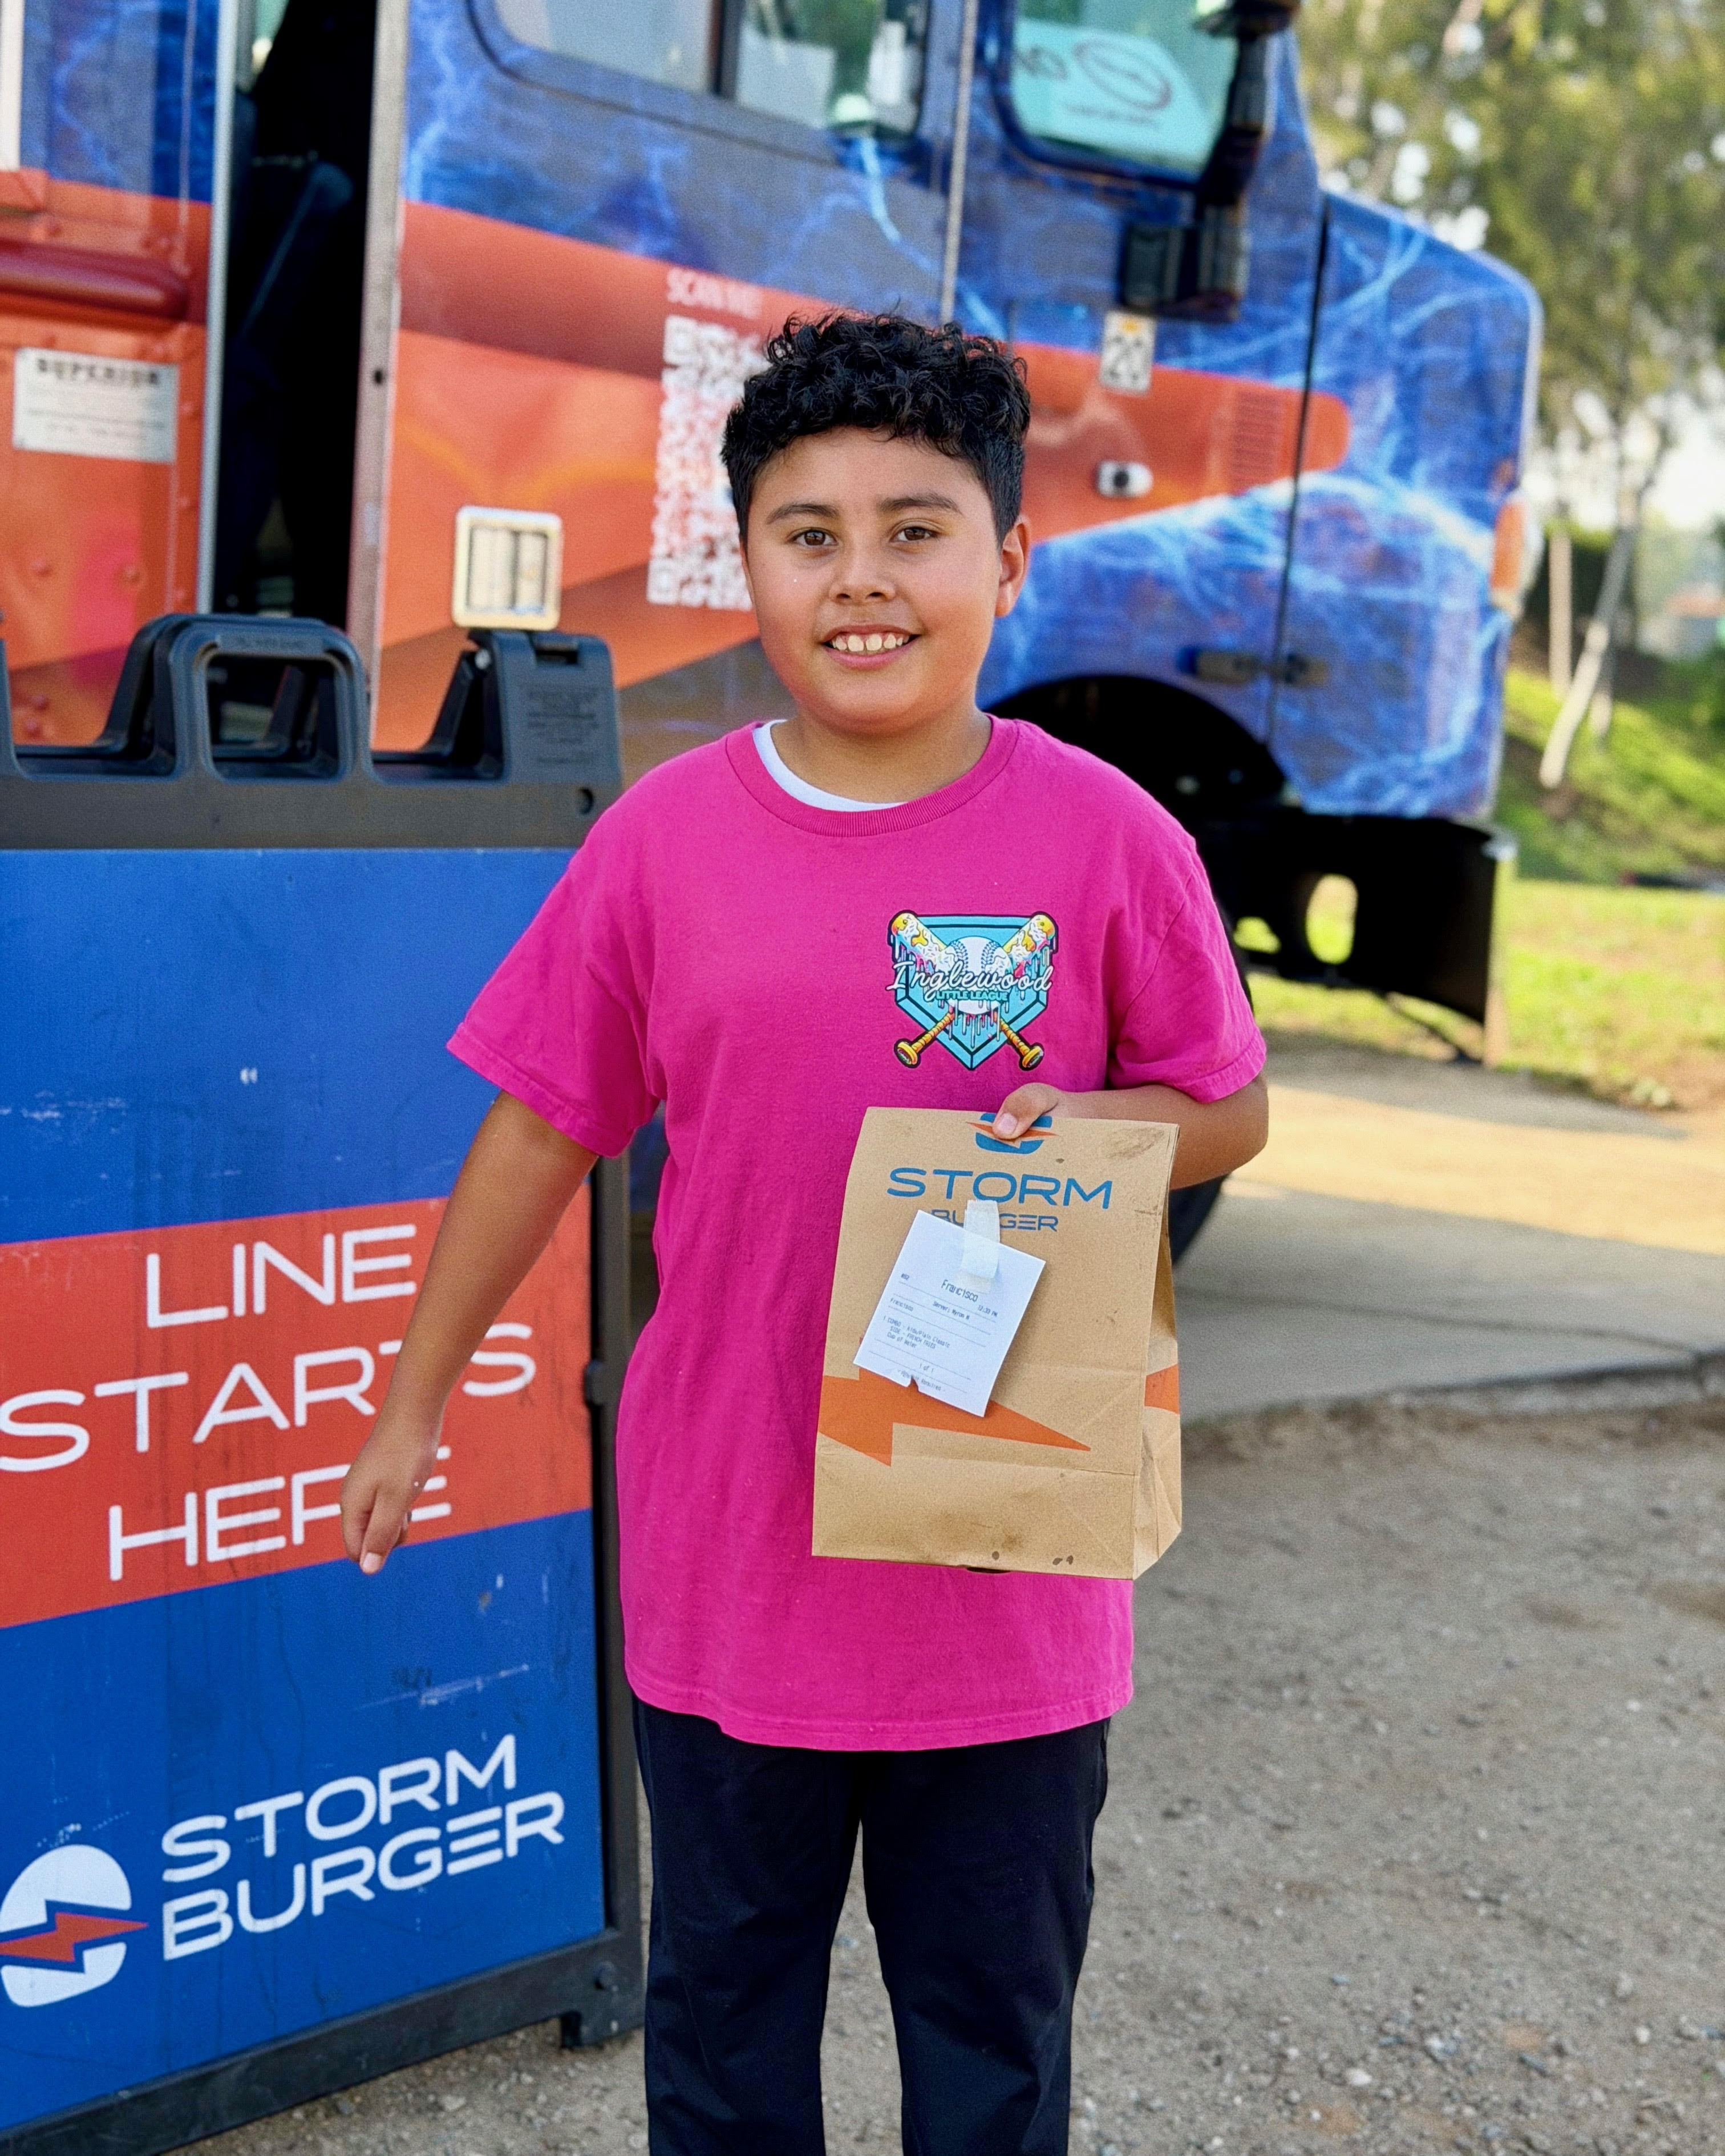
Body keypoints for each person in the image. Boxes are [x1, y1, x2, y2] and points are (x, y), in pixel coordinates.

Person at [341, 313, 1268, 2155]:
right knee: (725, 2032)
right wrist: (411, 1393)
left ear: (1011, 556)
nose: (864, 580)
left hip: (1006, 1582)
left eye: (917, 529)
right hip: (734, 1568)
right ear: (742, 561)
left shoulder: (1109, 841)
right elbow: (542, 1123)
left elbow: (1223, 1102)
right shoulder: (665, 842)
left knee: (992, 2049)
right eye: (809, 531)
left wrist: (1099, 1133)